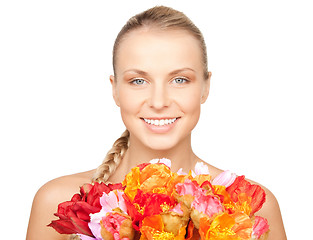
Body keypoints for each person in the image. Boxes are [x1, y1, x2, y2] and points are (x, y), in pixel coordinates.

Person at [26, 5, 287, 240]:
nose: (159, 101)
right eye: (138, 81)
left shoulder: (251, 208)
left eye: (180, 79)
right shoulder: (61, 203)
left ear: (205, 87)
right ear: (115, 89)